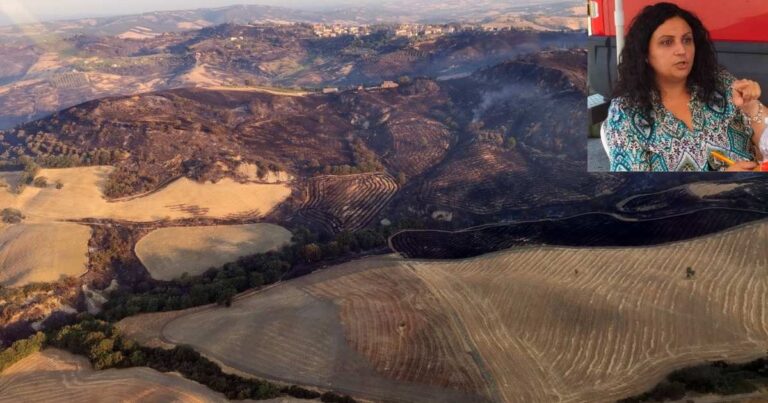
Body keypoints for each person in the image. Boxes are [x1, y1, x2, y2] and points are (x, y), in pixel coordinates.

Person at [603, 2, 766, 172]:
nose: (682, 50)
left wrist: (752, 108)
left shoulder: (720, 83)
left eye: (687, 40)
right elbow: (633, 193)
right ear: (644, 54)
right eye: (667, 42)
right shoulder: (626, 113)